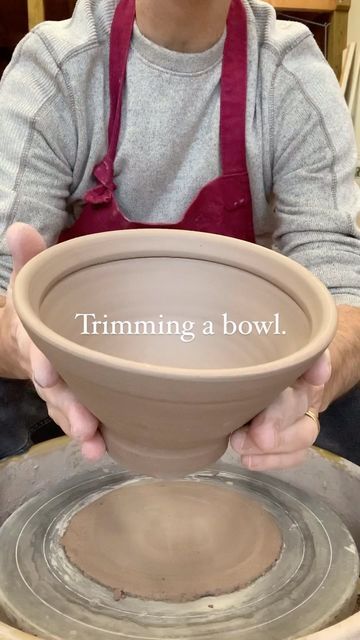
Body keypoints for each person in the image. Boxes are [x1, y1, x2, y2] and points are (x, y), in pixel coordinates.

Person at [0, 0, 359, 470]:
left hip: (244, 399)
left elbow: (343, 283)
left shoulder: (289, 74)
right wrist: (20, 342)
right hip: (74, 395)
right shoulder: (56, 69)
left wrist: (311, 384)